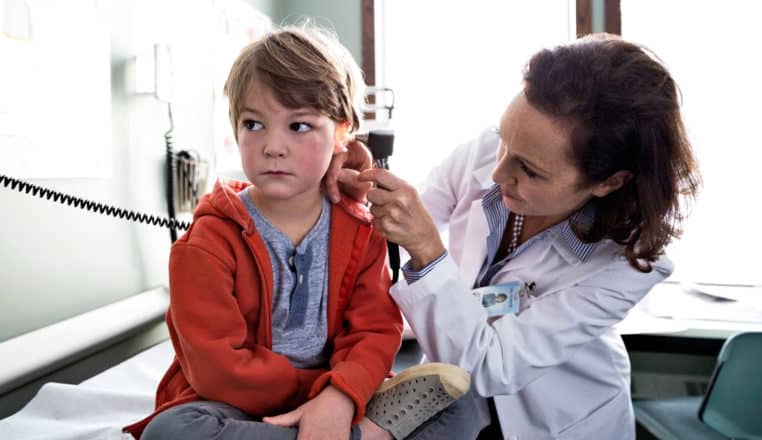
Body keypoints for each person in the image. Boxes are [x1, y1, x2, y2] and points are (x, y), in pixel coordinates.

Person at [332, 33, 701, 439]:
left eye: (530, 170)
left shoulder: (629, 264)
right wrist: (361, 189)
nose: (497, 172)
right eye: (505, 140)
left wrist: (426, 249)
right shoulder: (488, 153)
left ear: (608, 182)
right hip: (461, 409)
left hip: (555, 421)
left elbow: (491, 366)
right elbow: (386, 225)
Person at [123, 24, 471, 440]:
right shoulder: (207, 243)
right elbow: (217, 370)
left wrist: (340, 395)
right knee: (172, 431)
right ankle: (362, 436)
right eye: (254, 124)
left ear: (342, 133)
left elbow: (374, 332)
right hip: (238, 405)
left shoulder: (361, 232)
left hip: (338, 393)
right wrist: (323, 397)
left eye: (298, 126)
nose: (273, 146)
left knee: (467, 408)